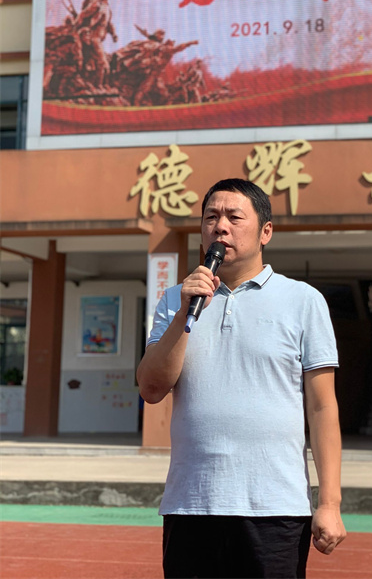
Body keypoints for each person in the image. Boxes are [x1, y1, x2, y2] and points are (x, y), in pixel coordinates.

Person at [137, 178, 346, 579]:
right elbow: (150, 388)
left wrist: (329, 503)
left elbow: (322, 407)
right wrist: (184, 314)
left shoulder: (303, 301)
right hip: (192, 504)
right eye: (211, 217)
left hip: (275, 507)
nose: (220, 227)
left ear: (266, 231)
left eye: (234, 217)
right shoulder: (174, 299)